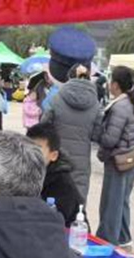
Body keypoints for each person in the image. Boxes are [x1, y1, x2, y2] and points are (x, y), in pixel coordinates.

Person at [91, 66, 134, 248]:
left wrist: (97, 131)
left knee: (111, 204)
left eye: (110, 81)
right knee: (122, 201)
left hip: (118, 163)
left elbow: (110, 139)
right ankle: (124, 238)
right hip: (131, 160)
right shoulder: (131, 102)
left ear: (115, 84)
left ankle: (107, 242)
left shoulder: (119, 107)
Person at [41, 63, 101, 204]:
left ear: (68, 77)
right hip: (81, 161)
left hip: (57, 157)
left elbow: (44, 126)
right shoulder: (95, 103)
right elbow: (97, 135)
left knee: (54, 198)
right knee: (78, 199)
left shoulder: (57, 98)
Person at [27, 123, 81, 226]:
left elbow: (57, 220)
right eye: (28, 148)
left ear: (54, 155)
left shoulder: (63, 184)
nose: (31, 155)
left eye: (37, 150)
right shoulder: (20, 172)